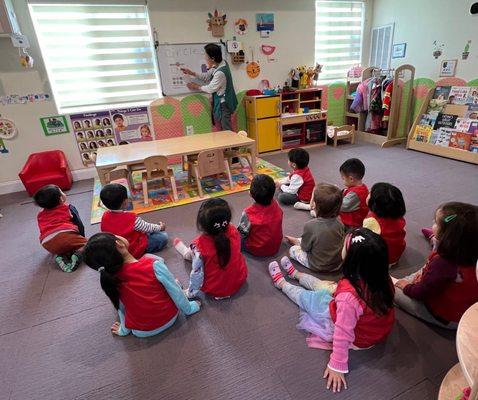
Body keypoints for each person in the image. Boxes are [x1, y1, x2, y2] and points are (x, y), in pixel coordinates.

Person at [268, 228, 395, 393]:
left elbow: (343, 332)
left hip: (355, 333)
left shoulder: (349, 298)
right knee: (323, 285)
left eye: (344, 248)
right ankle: (297, 274)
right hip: (369, 327)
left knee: (308, 298)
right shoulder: (382, 278)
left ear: (352, 260)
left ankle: (282, 284)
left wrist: (337, 364)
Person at [83, 233, 200, 337]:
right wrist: (189, 308)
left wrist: (123, 330)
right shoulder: (153, 264)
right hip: (169, 317)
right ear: (119, 244)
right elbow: (175, 292)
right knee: (174, 284)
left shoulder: (111, 279)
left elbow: (121, 307)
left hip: (140, 331)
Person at [393, 202, 478, 329]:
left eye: (436, 223)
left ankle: (397, 284)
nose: (433, 223)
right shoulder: (467, 250)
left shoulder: (443, 263)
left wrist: (407, 287)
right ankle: (434, 239)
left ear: (449, 238)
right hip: (461, 305)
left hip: (444, 317)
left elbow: (422, 292)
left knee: (388, 288)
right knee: (430, 266)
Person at [174, 198, 248, 299]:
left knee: (197, 256)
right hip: (239, 279)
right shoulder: (234, 231)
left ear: (202, 225)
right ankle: (190, 254)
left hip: (215, 289)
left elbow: (196, 275)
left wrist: (190, 293)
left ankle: (188, 253)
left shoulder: (199, 246)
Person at [285, 183, 345, 272]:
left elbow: (305, 248)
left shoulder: (310, 225)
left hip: (318, 265)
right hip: (337, 264)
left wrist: (297, 243)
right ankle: (300, 240)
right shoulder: (340, 223)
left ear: (314, 205)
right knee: (313, 237)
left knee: (292, 250)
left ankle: (297, 241)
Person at [100, 183, 168, 259]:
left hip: (118, 250)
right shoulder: (131, 218)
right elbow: (146, 227)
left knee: (147, 231)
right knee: (163, 237)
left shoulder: (105, 216)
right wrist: (160, 227)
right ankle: (140, 254)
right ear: (125, 202)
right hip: (133, 249)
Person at [181, 43, 238, 130]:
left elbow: (211, 88)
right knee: (223, 128)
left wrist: (195, 86)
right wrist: (191, 73)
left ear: (212, 58)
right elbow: (207, 76)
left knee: (227, 130)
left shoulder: (220, 72)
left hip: (224, 103)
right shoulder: (221, 63)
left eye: (206, 56)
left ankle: (232, 142)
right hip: (221, 102)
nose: (205, 58)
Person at [33, 184, 87, 272]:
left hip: (47, 242)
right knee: (90, 244)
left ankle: (62, 256)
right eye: (62, 192)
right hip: (66, 236)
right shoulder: (68, 208)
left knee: (65, 246)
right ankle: (78, 254)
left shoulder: (40, 215)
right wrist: (81, 237)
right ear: (61, 199)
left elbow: (42, 229)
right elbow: (79, 224)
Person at [238, 174, 283, 257]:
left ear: (250, 194)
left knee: (233, 236)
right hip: (276, 246)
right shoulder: (276, 204)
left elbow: (242, 233)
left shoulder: (248, 213)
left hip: (257, 249)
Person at [363, 183, 406, 265]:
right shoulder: (399, 216)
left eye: (370, 193)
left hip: (381, 260)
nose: (368, 194)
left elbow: (365, 238)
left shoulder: (371, 220)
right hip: (396, 255)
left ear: (374, 203)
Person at [338, 158, 369, 228]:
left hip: (351, 224)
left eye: (343, 178)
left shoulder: (355, 194)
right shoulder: (362, 187)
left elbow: (340, 206)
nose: (342, 180)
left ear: (351, 179)